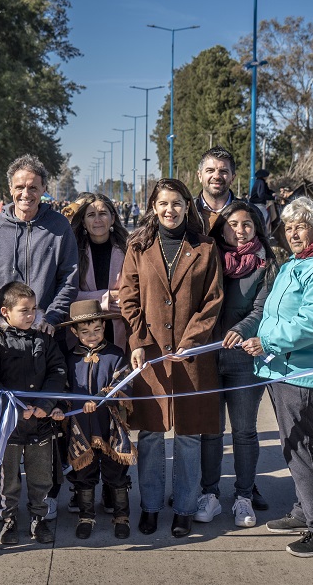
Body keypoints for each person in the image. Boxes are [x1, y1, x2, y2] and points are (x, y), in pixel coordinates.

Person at [241, 196, 313, 558]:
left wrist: (267, 340)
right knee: (294, 447)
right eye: (288, 227)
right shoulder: (296, 263)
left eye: (301, 225)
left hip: (306, 375)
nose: (293, 233)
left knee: (302, 449)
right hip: (284, 369)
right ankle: (304, 512)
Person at [118, 178, 223, 539]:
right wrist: (138, 339)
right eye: (163, 203)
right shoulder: (138, 245)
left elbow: (213, 301)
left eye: (177, 203)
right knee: (149, 434)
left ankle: (184, 508)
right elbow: (128, 298)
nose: (170, 210)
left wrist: (191, 340)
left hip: (192, 358)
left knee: (189, 436)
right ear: (153, 206)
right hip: (149, 355)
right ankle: (149, 506)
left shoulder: (206, 247)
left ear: (187, 206)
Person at [198, 201, 278, 527]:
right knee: (211, 431)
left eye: (247, 224)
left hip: (243, 358)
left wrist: (239, 330)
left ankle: (243, 496)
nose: (240, 230)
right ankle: (209, 494)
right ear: (222, 228)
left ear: (257, 227)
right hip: (207, 357)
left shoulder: (266, 265)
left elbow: (262, 310)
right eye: (232, 224)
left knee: (244, 431)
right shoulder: (208, 259)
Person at [0, 282, 67, 546]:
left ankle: (38, 519)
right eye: (24, 310)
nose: (31, 315)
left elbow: (58, 372)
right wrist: (15, 409)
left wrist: (45, 403)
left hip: (41, 424)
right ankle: (9, 520)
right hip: (10, 426)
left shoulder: (45, 339)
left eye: (34, 309)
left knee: (41, 477)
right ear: (5, 312)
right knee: (8, 479)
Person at [0, 154, 79, 332]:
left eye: (33, 187)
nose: (25, 194)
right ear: (10, 188)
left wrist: (52, 317)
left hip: (46, 331)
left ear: (44, 188)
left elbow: (69, 279)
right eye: (19, 187)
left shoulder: (59, 226)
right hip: (0, 331)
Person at [58, 300, 133, 540]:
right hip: (81, 426)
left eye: (97, 330)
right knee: (84, 472)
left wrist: (101, 398)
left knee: (117, 471)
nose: (92, 336)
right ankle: (86, 516)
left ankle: (121, 516)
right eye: (85, 332)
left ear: (104, 326)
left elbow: (124, 383)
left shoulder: (115, 354)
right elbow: (65, 389)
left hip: (109, 424)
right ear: (74, 332)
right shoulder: (70, 359)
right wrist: (64, 406)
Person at [69, 194, 128, 350]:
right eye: (91, 215)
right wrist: (107, 297)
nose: (97, 220)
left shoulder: (129, 250)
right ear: (83, 221)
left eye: (102, 214)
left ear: (113, 218)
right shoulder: (72, 251)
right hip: (84, 335)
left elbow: (132, 295)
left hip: (122, 332)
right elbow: (69, 294)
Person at [194, 147, 237, 236]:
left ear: (232, 178)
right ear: (200, 176)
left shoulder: (250, 214)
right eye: (210, 170)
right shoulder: (185, 213)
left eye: (223, 171)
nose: (216, 176)